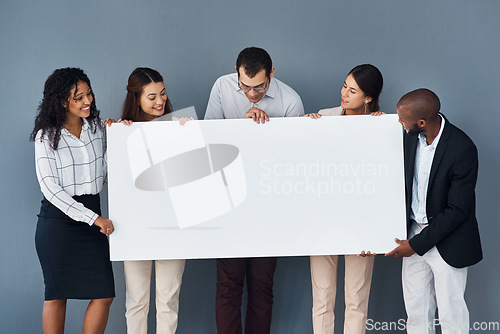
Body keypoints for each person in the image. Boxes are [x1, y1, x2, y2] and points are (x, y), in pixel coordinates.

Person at [205, 47, 304, 334]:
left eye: (259, 86)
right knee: (227, 285)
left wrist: (264, 130)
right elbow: (211, 141)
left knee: (262, 286)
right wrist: (241, 127)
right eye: (245, 86)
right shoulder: (222, 87)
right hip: (228, 202)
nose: (251, 93)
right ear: (236, 75)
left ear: (272, 73)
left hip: (268, 207)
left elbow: (292, 160)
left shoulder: (291, 101)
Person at [386, 88, 482, 334]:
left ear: (421, 122)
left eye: (402, 118)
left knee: (452, 315)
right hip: (414, 232)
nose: (398, 121)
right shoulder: (408, 137)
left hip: (449, 240)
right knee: (416, 313)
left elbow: (458, 210)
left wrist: (416, 245)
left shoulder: (462, 148)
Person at [30, 67, 115, 334]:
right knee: (57, 295)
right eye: (78, 97)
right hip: (58, 224)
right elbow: (50, 189)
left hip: (93, 218)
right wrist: (94, 219)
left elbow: (105, 175)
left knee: (104, 294)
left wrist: (121, 139)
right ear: (61, 100)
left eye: (88, 94)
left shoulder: (97, 129)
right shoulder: (46, 136)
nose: (87, 101)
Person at [305, 64, 384, 334]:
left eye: (353, 90)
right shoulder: (325, 117)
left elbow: (384, 180)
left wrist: (383, 131)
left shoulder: (380, 125)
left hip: (360, 223)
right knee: (322, 298)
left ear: (368, 97)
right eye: (344, 85)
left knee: (356, 300)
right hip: (323, 220)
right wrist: (305, 128)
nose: (344, 94)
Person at [120, 67, 190, 334]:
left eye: (162, 93)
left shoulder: (178, 127)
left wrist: (188, 135)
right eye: (151, 97)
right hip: (136, 228)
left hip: (173, 227)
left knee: (168, 301)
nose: (160, 101)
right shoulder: (122, 132)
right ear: (136, 99)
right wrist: (117, 135)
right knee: (136, 301)